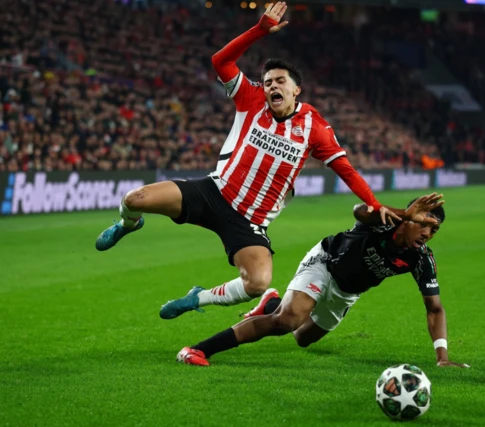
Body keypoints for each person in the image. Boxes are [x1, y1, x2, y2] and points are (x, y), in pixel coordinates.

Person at [94, 2, 400, 316]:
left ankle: (197, 298)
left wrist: (374, 203)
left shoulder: (315, 128)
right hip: (213, 192)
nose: (272, 86)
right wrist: (260, 30)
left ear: (297, 90)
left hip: (249, 219)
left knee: (257, 282)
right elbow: (220, 61)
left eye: (280, 81)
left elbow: (346, 170)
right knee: (134, 198)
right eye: (268, 82)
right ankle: (127, 224)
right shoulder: (251, 98)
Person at [170, 193, 470, 369]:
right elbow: (358, 210)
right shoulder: (384, 221)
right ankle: (198, 349)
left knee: (303, 338)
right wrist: (403, 213)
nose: (427, 234)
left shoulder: (421, 259)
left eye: (433, 231)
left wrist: (441, 356)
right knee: (286, 321)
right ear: (408, 219)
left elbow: (435, 308)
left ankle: (271, 301)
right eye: (423, 225)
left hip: (347, 293)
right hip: (325, 263)